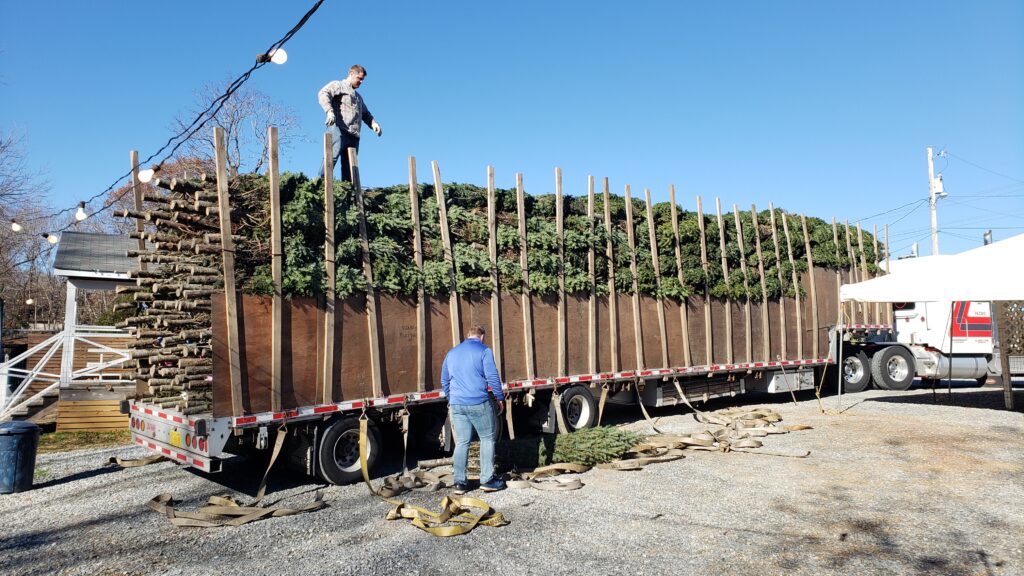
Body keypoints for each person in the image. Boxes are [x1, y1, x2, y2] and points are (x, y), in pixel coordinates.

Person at [440, 325, 506, 494]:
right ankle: (487, 480)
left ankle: (459, 483)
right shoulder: (484, 351)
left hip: (457, 404)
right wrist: (499, 397)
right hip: (478, 402)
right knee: (487, 438)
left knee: (462, 442)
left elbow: (444, 380)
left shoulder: (452, 353)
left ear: (467, 336)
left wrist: (451, 398)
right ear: (482, 336)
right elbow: (492, 376)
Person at [317, 64, 382, 182]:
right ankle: (322, 184)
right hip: (338, 129)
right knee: (331, 157)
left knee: (350, 166)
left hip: (353, 135)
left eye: (363, 80)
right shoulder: (338, 85)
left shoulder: (358, 97)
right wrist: (329, 111)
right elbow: (323, 93)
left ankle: (347, 190)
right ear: (351, 74)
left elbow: (366, 114)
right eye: (359, 78)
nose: (361, 81)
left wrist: (373, 124)